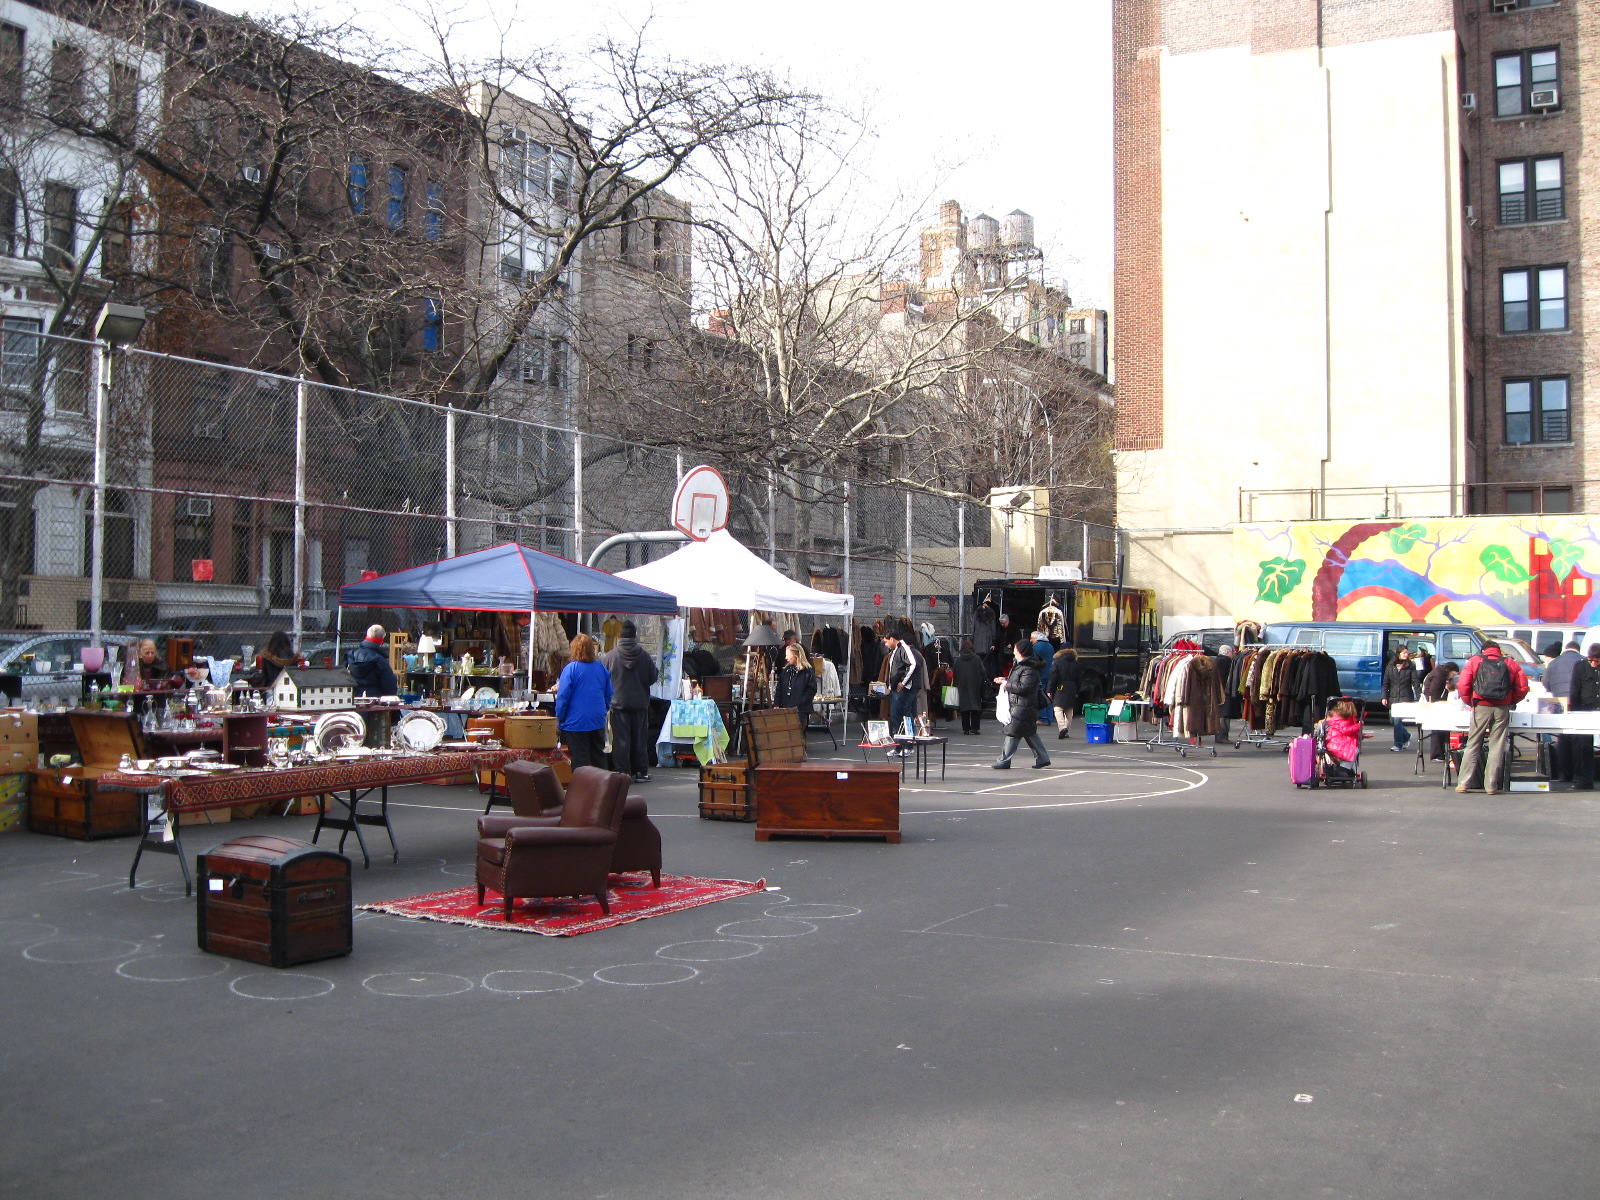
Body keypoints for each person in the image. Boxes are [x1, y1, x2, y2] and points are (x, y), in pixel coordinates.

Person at [1454, 640, 1528, 795]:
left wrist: (1471, 700)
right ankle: (1491, 786)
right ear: (1498, 650)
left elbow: (1463, 684)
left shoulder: (1475, 661)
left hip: (1481, 706)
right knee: (1497, 746)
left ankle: (1463, 783)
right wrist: (1510, 700)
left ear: (1483, 650)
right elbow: (1522, 687)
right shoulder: (1510, 663)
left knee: (1473, 743)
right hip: (1502, 707)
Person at [603, 620, 658, 782]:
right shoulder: (644, 655)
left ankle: (622, 771)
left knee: (621, 739)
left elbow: (603, 679)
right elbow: (653, 677)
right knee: (639, 738)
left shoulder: (610, 656)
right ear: (635, 635)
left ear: (620, 636)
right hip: (640, 702)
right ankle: (640, 771)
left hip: (618, 703)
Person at [554, 632, 612, 770]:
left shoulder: (570, 669)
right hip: (597, 718)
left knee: (580, 758)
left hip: (575, 721)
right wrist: (602, 709)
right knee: (598, 755)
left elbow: (563, 697)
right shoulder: (600, 667)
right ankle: (602, 787)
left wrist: (559, 718)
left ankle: (583, 788)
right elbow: (609, 693)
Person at [991, 640, 1051, 769]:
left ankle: (1004, 760)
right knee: (1029, 732)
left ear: (1021, 652)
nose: (1013, 652)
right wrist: (1005, 680)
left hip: (1023, 706)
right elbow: (1017, 682)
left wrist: (1007, 685)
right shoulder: (1021, 665)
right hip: (1021, 705)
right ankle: (1043, 758)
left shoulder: (1029, 668)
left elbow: (1024, 687)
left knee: (1013, 732)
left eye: (1016, 650)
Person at [1542, 639, 1586, 782]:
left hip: (1559, 703)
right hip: (1579, 703)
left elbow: (1546, 685)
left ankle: (1565, 774)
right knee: (1579, 739)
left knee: (1563, 738)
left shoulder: (1554, 663)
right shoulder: (1584, 661)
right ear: (1577, 650)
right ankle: (1579, 775)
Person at [881, 629, 926, 745]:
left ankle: (907, 743)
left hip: (904, 688)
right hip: (898, 687)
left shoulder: (903, 648)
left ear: (892, 639)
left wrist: (903, 682)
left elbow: (913, 664)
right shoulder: (898, 650)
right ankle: (900, 744)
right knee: (898, 714)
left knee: (903, 713)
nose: (886, 644)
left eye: (886, 642)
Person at [1565, 644, 1600, 791]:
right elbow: (1574, 690)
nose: (1594, 663)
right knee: (1583, 747)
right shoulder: (1580, 666)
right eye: (1591, 660)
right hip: (1585, 711)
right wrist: (1574, 712)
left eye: (1597, 661)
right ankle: (1584, 779)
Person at [1420, 659, 1460, 762]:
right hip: (1434, 704)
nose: (1453, 677)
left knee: (1442, 729)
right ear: (1450, 671)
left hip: (1436, 702)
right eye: (1453, 674)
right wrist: (1437, 704)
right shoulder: (1439, 675)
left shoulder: (1441, 673)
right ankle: (1437, 754)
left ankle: (1442, 752)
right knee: (1438, 728)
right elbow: (1433, 692)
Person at [1381, 645, 1419, 752]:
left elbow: (1415, 683)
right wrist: (1384, 696)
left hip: (1405, 697)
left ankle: (1398, 744)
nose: (1406, 655)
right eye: (1404, 653)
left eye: (1407, 653)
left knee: (1397, 720)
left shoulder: (1410, 666)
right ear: (1398, 654)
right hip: (1393, 697)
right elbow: (1386, 683)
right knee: (1392, 720)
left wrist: (1420, 697)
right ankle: (1406, 736)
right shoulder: (1390, 666)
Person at [347, 624, 398, 697]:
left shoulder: (351, 656)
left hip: (353, 698)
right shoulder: (380, 660)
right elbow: (389, 685)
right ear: (381, 639)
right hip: (375, 699)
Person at [774, 644, 817, 726]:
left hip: (800, 710)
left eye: (788, 655)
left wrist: (800, 703)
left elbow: (811, 690)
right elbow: (779, 688)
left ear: (796, 655)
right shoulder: (786, 670)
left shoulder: (807, 671)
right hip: (786, 708)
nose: (786, 658)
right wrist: (777, 703)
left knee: (798, 734)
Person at [952, 638, 986, 735]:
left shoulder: (958, 660)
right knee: (975, 707)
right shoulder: (977, 659)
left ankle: (966, 729)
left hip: (962, 685)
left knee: (965, 708)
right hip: (975, 685)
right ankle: (975, 728)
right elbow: (983, 671)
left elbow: (955, 673)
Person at [1049, 646, 1082, 740]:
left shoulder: (1057, 662)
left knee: (1058, 708)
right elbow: (1079, 679)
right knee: (1069, 709)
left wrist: (1049, 690)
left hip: (1060, 686)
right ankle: (1066, 729)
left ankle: (1062, 727)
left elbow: (1053, 677)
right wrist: (1077, 690)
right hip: (1072, 687)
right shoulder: (1076, 663)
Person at [1322, 697, 1363, 764]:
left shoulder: (1336, 716)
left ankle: (1340, 766)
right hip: (1340, 742)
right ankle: (1345, 768)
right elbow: (1345, 730)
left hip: (1333, 741)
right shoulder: (1344, 719)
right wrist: (1358, 726)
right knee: (1354, 751)